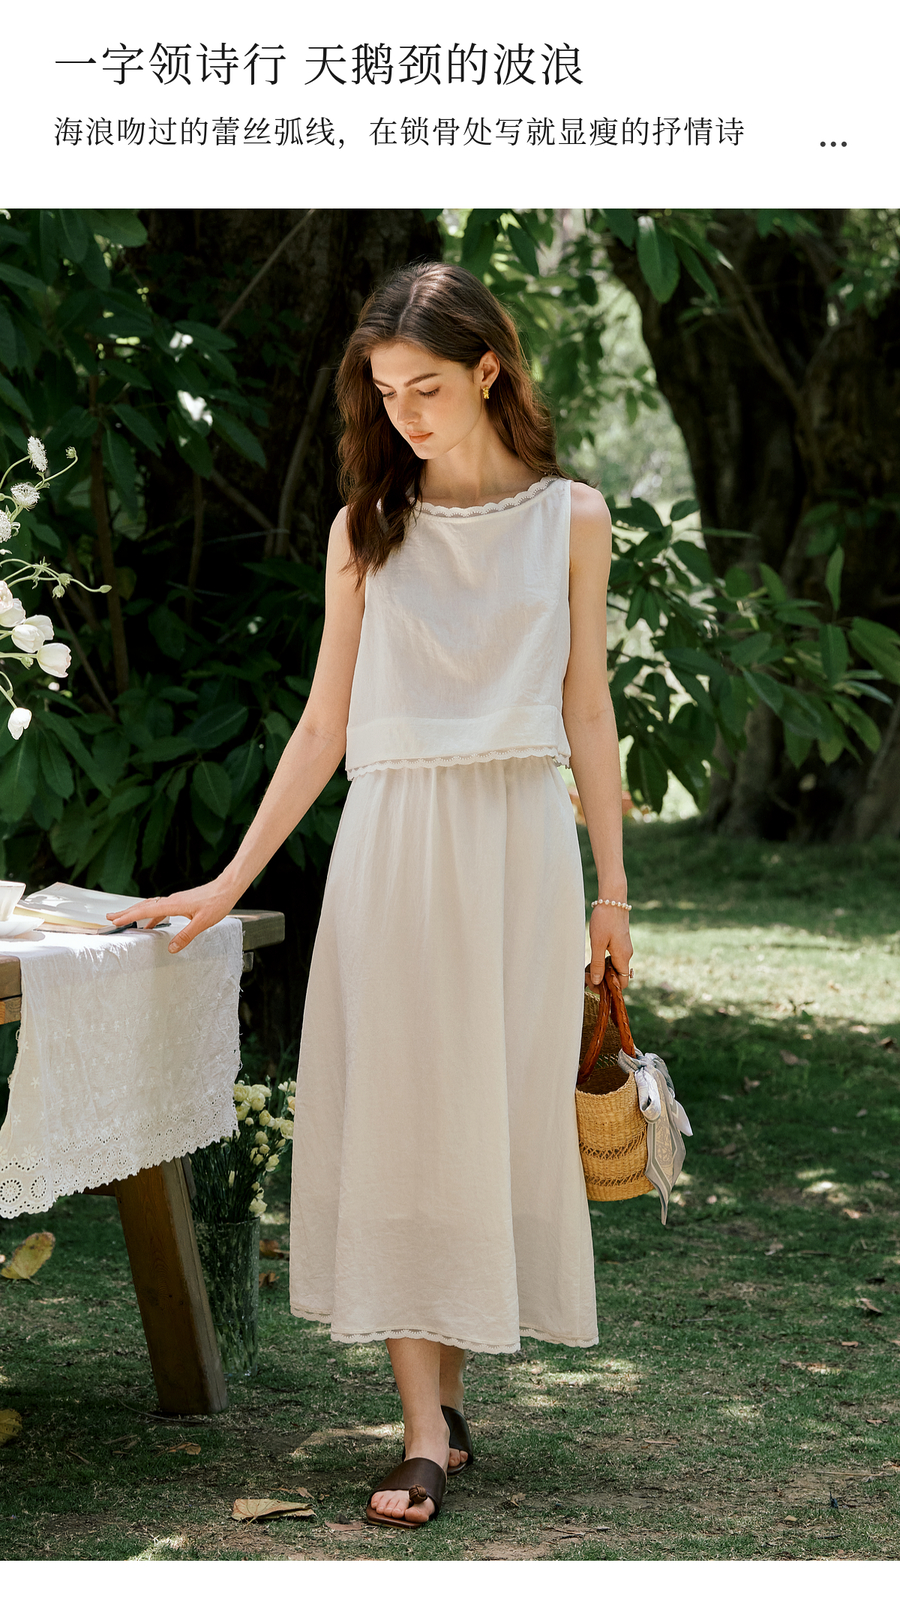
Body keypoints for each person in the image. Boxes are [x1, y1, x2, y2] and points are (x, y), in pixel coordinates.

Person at [109, 261, 633, 1530]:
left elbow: (588, 710)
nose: (405, 413)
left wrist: (614, 894)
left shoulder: (573, 518)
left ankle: (446, 1402)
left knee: (482, 1112)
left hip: (519, 853)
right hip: (394, 849)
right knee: (405, 1112)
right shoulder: (365, 528)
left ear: (490, 370)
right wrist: (227, 881)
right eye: (386, 392)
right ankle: (421, 1432)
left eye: (427, 387)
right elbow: (320, 728)